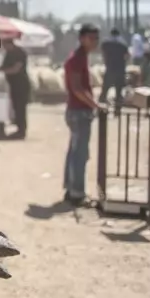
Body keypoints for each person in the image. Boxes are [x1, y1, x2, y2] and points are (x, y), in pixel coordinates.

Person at [63, 24, 102, 206]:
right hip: (79, 112)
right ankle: (77, 193)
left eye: (96, 38)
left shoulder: (82, 57)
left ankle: (72, 190)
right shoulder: (76, 59)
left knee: (76, 152)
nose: (95, 42)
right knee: (80, 154)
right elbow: (77, 88)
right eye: (92, 38)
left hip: (79, 111)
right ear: (82, 38)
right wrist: (95, 105)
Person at [0, 36, 30, 139]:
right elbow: (4, 66)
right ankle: (18, 128)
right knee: (15, 107)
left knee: (20, 107)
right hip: (12, 84)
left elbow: (15, 69)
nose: (4, 48)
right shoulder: (8, 53)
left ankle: (21, 131)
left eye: (4, 45)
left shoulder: (20, 53)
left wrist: (2, 71)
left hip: (21, 84)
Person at [100, 28, 130, 111]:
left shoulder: (106, 43)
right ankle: (117, 110)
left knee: (105, 89)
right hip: (120, 70)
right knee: (119, 91)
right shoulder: (123, 44)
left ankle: (101, 110)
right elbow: (127, 56)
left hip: (109, 69)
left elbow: (103, 53)